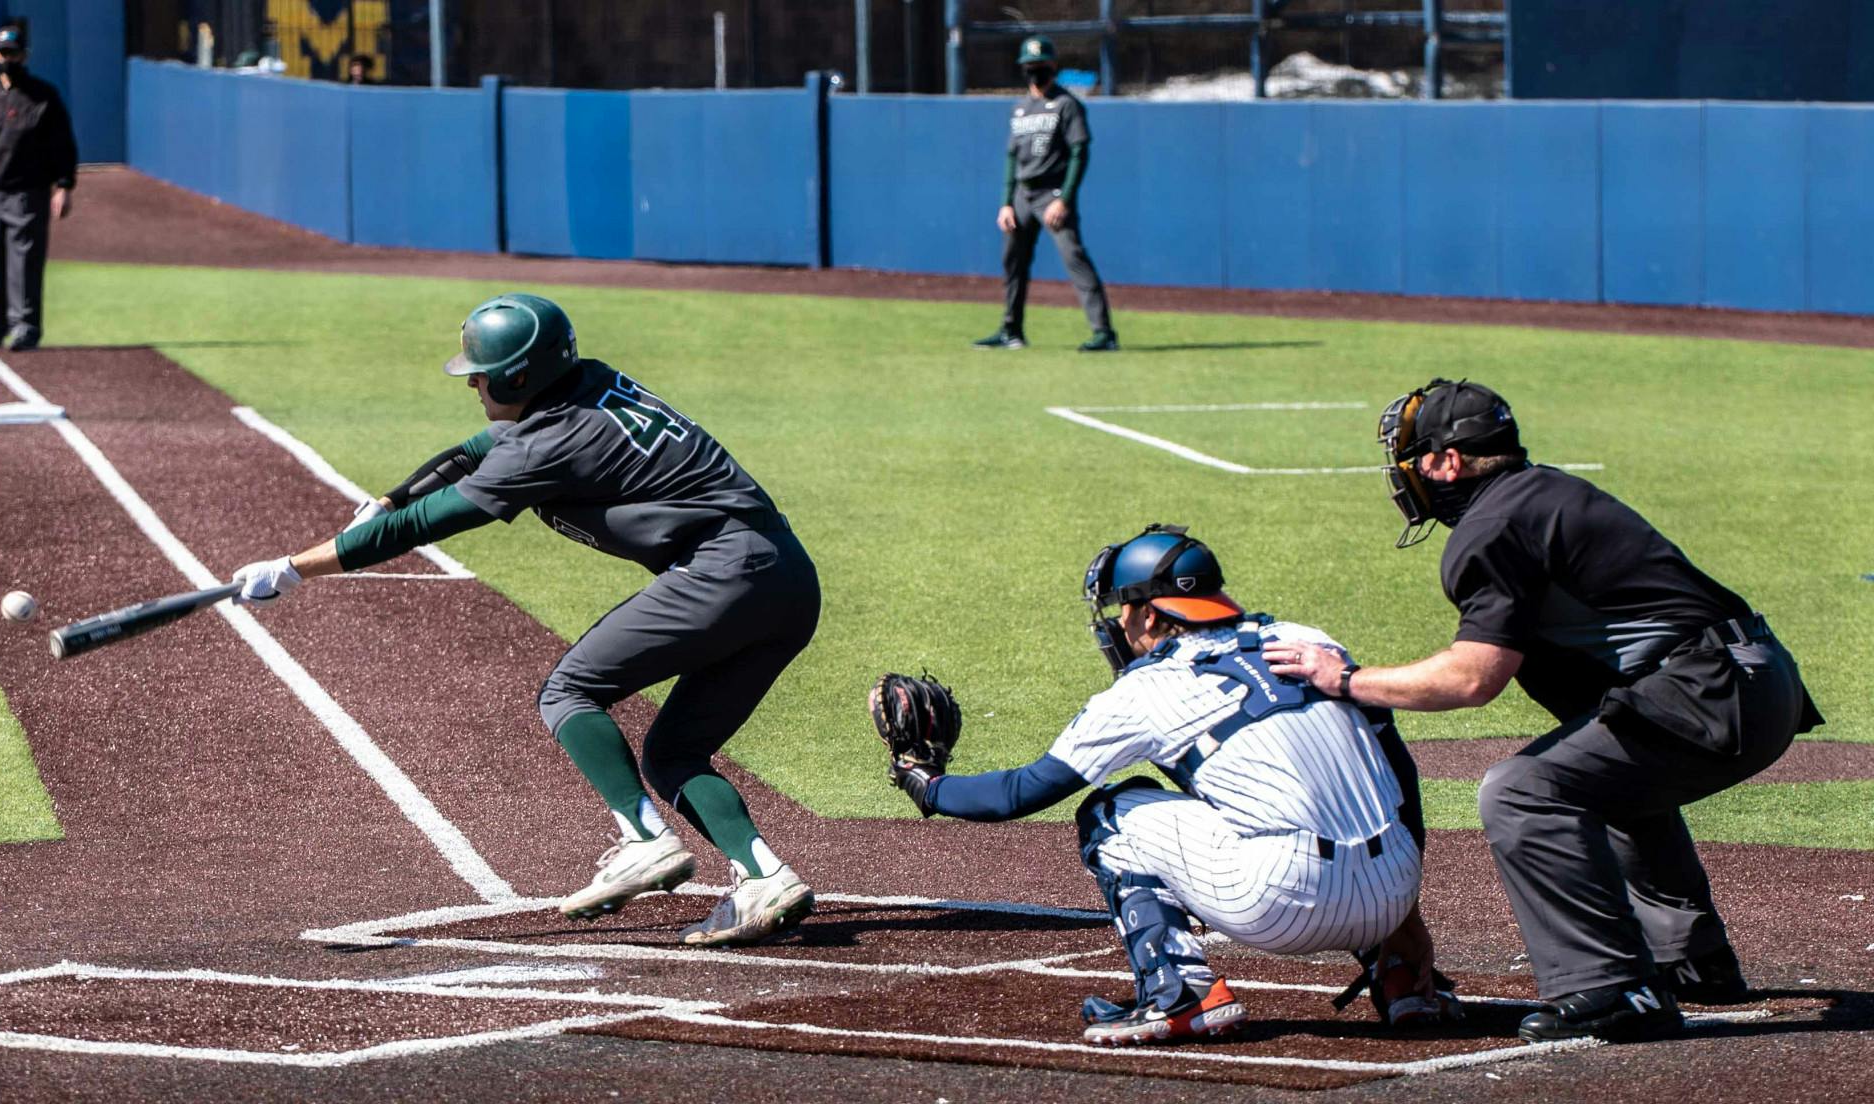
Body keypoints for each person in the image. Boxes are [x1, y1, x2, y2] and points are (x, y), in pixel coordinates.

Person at [227, 294, 823, 947]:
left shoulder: (549, 445)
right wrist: (389, 497)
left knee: (570, 690)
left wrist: (291, 568)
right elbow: (470, 453)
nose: (472, 383)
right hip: (787, 582)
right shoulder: (582, 383)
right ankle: (763, 876)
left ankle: (645, 838)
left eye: (480, 373)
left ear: (517, 377)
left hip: (725, 572)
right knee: (674, 751)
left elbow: (433, 522)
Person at [1265, 378, 1824, 1044]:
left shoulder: (1493, 526)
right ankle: (1693, 963)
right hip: (1753, 679)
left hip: (1711, 690)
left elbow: (1475, 679)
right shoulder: (1539, 492)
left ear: (1447, 462)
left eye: (1413, 457)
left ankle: (1615, 987)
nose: (1406, 473)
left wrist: (1348, 678)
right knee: (1601, 774)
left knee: (1524, 792)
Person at [879, 524, 1455, 1045]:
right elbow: (1395, 768)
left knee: (1109, 811)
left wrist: (927, 783)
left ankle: (1179, 992)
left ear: (1149, 615)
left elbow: (1019, 794)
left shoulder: (1144, 691)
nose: (1117, 624)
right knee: (1320, 786)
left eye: (1121, 610)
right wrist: (1404, 905)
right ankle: (1399, 974)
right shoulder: (1305, 641)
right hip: (1394, 890)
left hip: (1282, 903)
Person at [973, 36, 1118, 354]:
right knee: (1013, 262)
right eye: (1029, 67)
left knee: (1074, 257)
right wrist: (1005, 203)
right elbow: (1012, 158)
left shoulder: (1067, 105)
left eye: (1040, 67)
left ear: (1053, 66)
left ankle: (1104, 332)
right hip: (1023, 195)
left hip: (1052, 193)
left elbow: (1079, 152)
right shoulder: (1020, 109)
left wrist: (1064, 198)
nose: (1034, 72)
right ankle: (1011, 329)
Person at [0, 22, 77, 353]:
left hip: (29, 191)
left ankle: (26, 326)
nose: (9, 58)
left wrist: (63, 186)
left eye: (14, 53)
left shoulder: (43, 96)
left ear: (25, 56)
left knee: (26, 261)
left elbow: (62, 145)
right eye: (3, 52)